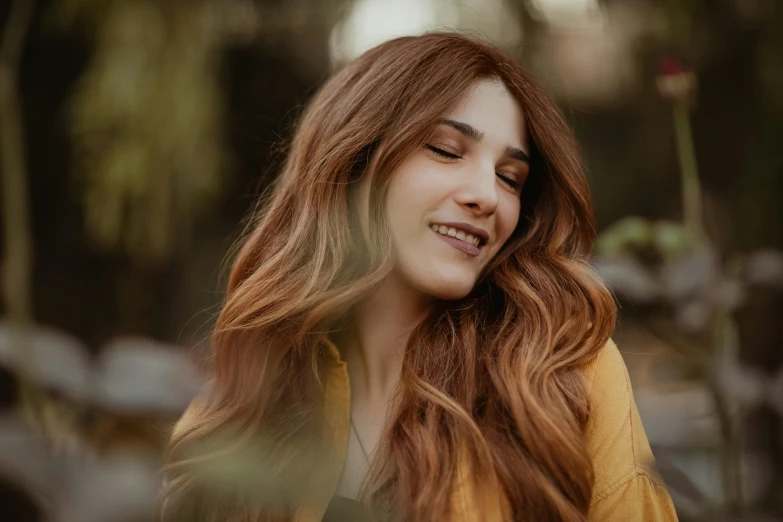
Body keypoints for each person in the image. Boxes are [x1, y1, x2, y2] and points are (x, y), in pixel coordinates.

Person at [158, 32, 678, 522]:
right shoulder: (237, 404)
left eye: (510, 177)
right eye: (448, 151)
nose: (487, 195)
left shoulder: (561, 375)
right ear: (353, 162)